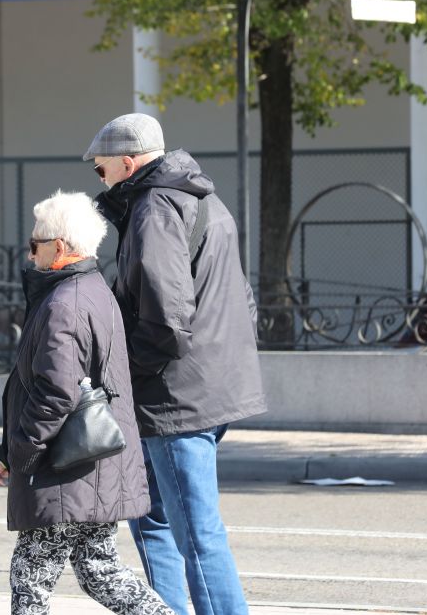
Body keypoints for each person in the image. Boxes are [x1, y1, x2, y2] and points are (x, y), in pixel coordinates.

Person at [84, 113, 267, 615]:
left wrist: (124, 375)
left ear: (127, 162)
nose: (100, 179)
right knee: (154, 519)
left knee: (193, 532)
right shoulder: (202, 196)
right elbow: (242, 300)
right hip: (209, 386)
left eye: (101, 171)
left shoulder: (155, 207)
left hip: (174, 397)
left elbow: (166, 319)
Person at [0, 191, 174, 615]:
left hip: (65, 468)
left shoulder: (63, 304)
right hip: (90, 462)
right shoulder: (90, 289)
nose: (30, 250)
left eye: (37, 242)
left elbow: (56, 391)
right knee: (99, 569)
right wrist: (8, 449)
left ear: (62, 247)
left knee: (31, 579)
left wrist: (22, 451)